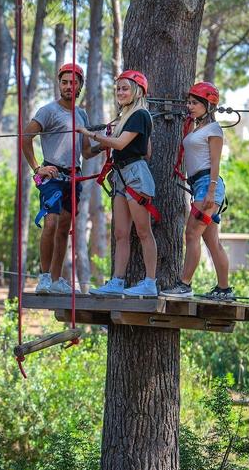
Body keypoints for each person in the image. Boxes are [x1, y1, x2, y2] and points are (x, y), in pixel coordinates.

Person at [78, 70, 159, 297]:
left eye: (125, 88)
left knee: (144, 232)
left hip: (134, 175)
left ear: (137, 91)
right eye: (118, 88)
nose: (120, 92)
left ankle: (150, 282)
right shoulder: (126, 117)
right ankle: (117, 281)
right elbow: (148, 150)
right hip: (123, 174)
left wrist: (89, 134)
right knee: (121, 233)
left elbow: (121, 144)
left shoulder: (139, 115)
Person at [22, 63, 96, 294]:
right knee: (51, 223)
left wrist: (105, 145)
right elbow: (26, 137)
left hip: (73, 177)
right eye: (64, 82)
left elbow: (85, 152)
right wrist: (37, 168)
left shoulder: (81, 114)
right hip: (52, 176)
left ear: (80, 86)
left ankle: (56, 279)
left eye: (73, 83)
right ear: (59, 84)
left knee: (64, 228)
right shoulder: (48, 111)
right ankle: (44, 278)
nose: (68, 86)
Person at [162, 82, 234, 301]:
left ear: (208, 105)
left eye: (195, 103)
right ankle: (224, 290)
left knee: (192, 234)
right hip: (200, 186)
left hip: (207, 186)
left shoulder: (213, 130)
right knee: (212, 241)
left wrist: (211, 191)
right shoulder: (197, 127)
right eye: (189, 102)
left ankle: (184, 285)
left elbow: (215, 163)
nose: (189, 106)